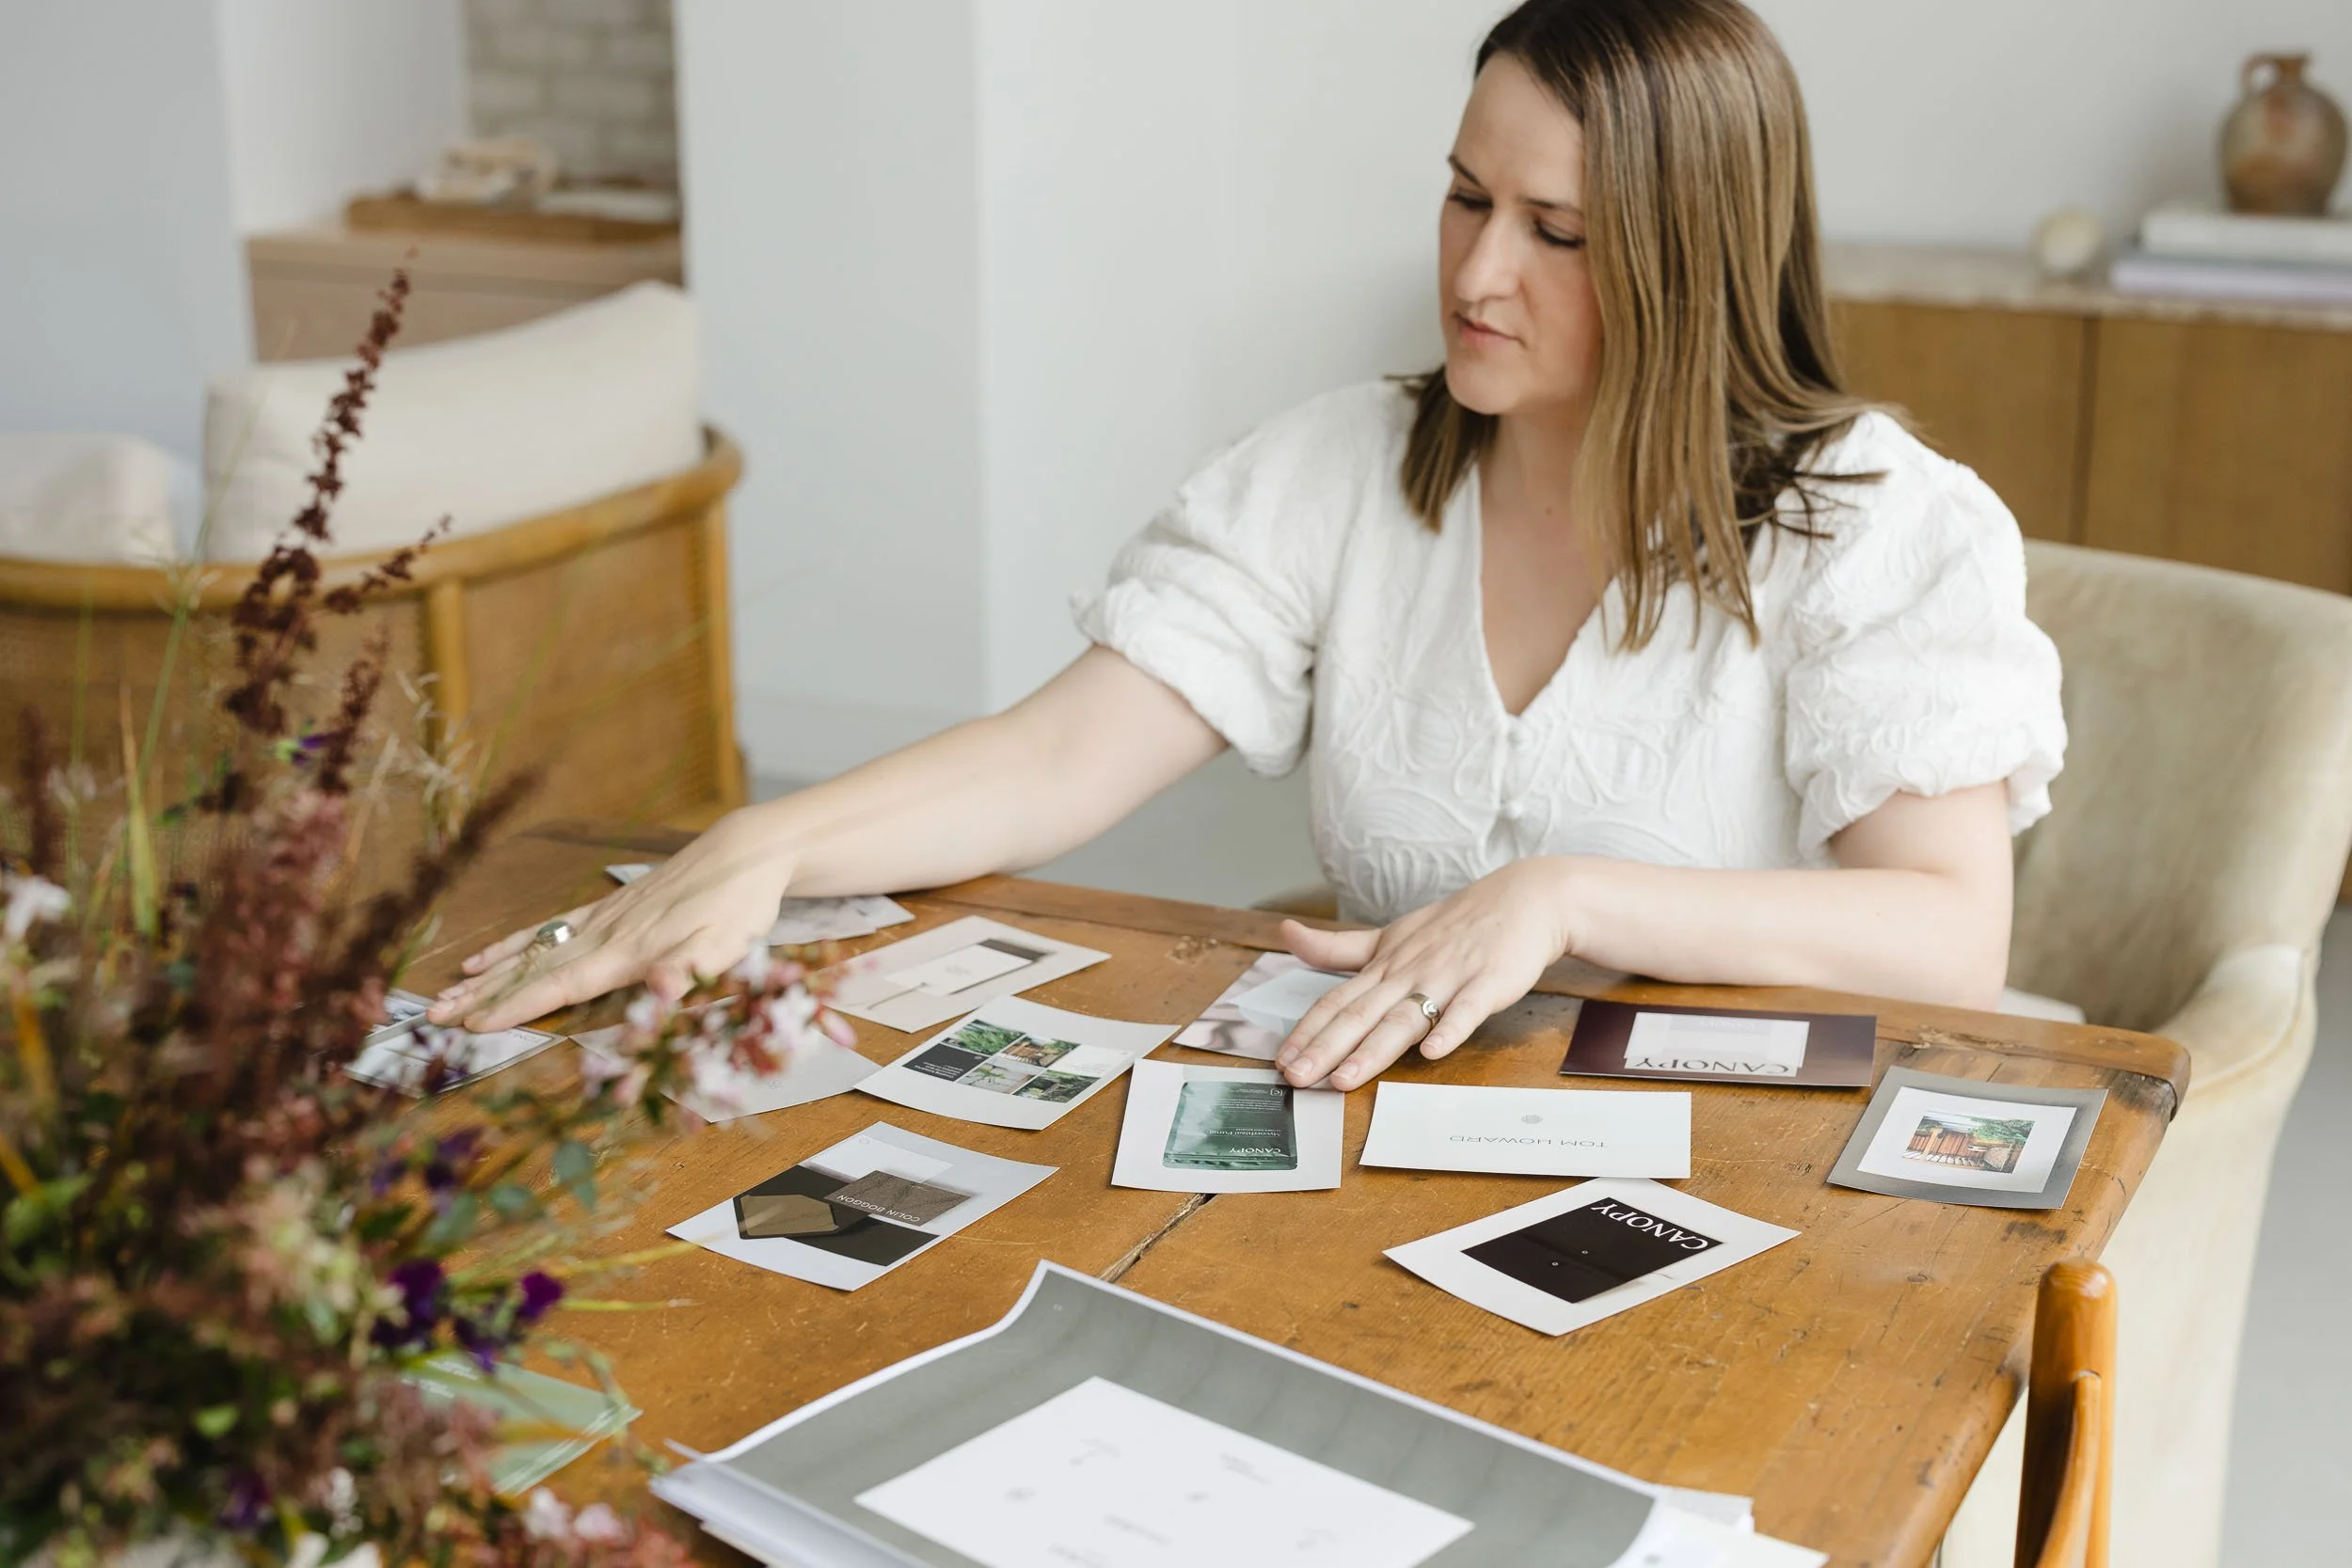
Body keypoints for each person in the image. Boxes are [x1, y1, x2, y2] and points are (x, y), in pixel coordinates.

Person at [432, 0, 2063, 1097]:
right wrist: (761, 848)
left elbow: (1947, 937)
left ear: (1692, 260)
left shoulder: (1874, 523)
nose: (1479, 271)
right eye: (1461, 198)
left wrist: (1559, 898)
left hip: (1750, 1170)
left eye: (1557, 234)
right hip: (1390, 1131)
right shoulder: (1347, 466)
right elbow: (1057, 754)